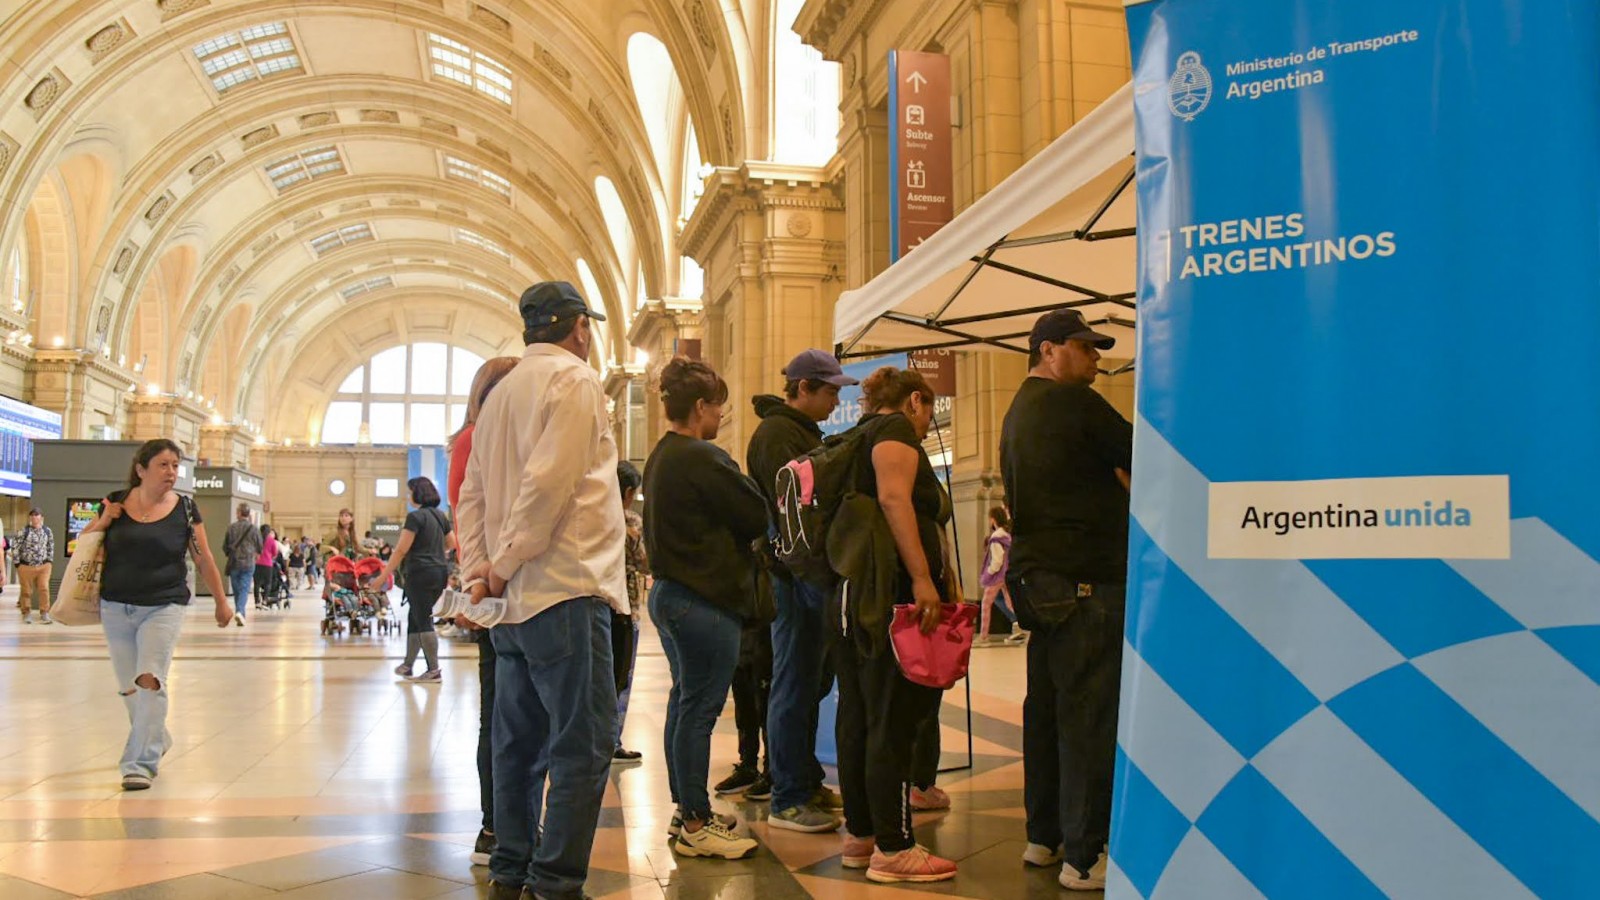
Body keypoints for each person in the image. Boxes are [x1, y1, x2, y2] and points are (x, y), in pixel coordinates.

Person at [456, 281, 626, 900]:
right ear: (579, 326)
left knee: (517, 745)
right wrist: (496, 569)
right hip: (564, 589)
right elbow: (548, 488)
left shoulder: (498, 396)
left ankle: (510, 870)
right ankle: (554, 883)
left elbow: (472, 495)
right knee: (582, 748)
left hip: (511, 608)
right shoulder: (576, 382)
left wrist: (480, 572)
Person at [1000, 309, 1131, 891]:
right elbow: (1145, 452)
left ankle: (1044, 836)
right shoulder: (1075, 404)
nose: (1096, 359)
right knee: (1089, 717)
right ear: (1049, 350)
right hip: (1085, 582)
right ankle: (1085, 856)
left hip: (1038, 582)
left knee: (1047, 711)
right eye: (1086, 348)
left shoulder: (1017, 411)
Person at [831, 366, 959, 884]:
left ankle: (862, 834)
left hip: (852, 598)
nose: (928, 424)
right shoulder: (893, 431)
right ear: (913, 401)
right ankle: (895, 845)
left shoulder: (856, 435)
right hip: (887, 599)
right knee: (894, 717)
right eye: (928, 410)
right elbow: (894, 498)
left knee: (860, 714)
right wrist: (925, 579)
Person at [643, 357, 768, 860]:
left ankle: (686, 807)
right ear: (700, 407)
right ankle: (696, 823)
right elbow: (756, 513)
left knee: (684, 704)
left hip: (672, 595)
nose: (722, 417)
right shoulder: (702, 457)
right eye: (719, 407)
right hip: (704, 601)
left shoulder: (661, 455)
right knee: (698, 711)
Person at [745, 348, 857, 832]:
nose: (836, 400)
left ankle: (805, 779)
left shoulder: (800, 432)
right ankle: (787, 796)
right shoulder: (776, 434)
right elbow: (793, 515)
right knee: (793, 682)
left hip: (808, 577)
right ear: (804, 388)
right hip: (793, 578)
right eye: (830, 391)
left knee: (811, 681)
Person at [81, 439, 231, 790]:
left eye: (176, 465)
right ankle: (157, 736)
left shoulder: (185, 509)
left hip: (164, 605)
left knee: (149, 679)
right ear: (141, 469)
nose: (171, 472)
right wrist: (104, 520)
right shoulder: (115, 502)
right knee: (128, 688)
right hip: (116, 605)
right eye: (163, 465)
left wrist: (223, 602)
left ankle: (140, 763)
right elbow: (84, 546)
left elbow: (203, 557)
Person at [446, 353, 519, 868]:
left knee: (506, 712)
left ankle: (504, 823)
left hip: (504, 590)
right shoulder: (476, 439)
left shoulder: (483, 437)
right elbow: (468, 518)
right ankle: (494, 826)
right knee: (498, 713)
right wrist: (482, 580)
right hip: (496, 593)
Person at [375, 477, 456, 684]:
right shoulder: (440, 516)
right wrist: (433, 552)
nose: (407, 496)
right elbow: (451, 543)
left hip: (420, 573)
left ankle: (433, 669)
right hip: (439, 572)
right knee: (416, 616)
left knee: (423, 619)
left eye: (409, 492)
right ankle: (408, 665)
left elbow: (401, 549)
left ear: (417, 493)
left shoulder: (415, 517)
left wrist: (383, 577)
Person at [613, 460, 645, 762]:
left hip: (598, 608)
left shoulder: (592, 518)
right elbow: (645, 562)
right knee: (622, 678)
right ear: (628, 491)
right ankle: (613, 739)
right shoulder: (630, 523)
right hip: (627, 609)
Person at [976, 506, 1024, 645]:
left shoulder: (996, 537)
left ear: (993, 519)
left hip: (997, 575)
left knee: (986, 604)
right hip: (1006, 574)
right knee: (1009, 601)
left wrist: (990, 572)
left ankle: (983, 637)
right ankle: (1022, 626)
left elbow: (997, 559)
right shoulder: (1007, 536)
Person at [14, 507, 55, 624]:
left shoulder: (47, 531)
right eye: (32, 515)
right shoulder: (24, 531)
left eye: (36, 515)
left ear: (41, 517)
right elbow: (16, 547)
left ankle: (44, 612)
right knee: (26, 590)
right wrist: (18, 563)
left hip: (43, 566)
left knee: (44, 588)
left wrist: (49, 561)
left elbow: (50, 546)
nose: (34, 517)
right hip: (26, 566)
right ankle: (26, 612)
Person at [222, 504, 261, 622]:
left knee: (237, 588)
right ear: (248, 514)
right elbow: (260, 545)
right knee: (244, 587)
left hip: (234, 562)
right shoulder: (254, 529)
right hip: (249, 562)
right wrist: (255, 553)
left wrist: (228, 553)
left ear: (239, 513)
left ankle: (240, 612)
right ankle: (240, 612)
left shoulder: (231, 528)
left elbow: (225, 546)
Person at [249, 524, 278, 622]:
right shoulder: (271, 540)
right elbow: (275, 552)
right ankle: (265, 601)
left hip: (257, 563)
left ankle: (257, 602)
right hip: (268, 564)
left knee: (257, 583)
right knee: (268, 583)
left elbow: (252, 550)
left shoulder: (257, 539)